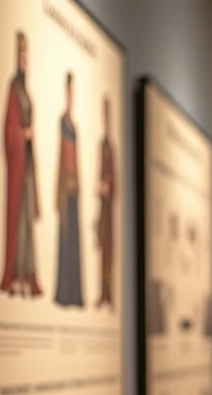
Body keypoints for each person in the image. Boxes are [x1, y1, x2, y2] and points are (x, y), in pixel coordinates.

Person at [1, 30, 41, 298]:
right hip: (17, 168)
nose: (24, 61)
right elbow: (9, 129)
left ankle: (27, 274)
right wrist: (23, 134)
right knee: (16, 219)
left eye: (27, 56)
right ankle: (13, 275)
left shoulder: (26, 90)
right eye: (22, 56)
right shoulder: (14, 88)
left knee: (27, 220)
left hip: (26, 167)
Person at [54, 71, 84, 308]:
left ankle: (75, 293)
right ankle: (64, 293)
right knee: (65, 240)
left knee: (74, 239)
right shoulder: (62, 122)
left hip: (74, 192)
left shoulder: (74, 126)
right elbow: (60, 158)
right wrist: (61, 186)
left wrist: (78, 183)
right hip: (66, 191)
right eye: (69, 92)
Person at [95, 95, 116, 310]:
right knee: (102, 252)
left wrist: (109, 187)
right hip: (102, 210)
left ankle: (109, 293)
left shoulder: (111, 148)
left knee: (109, 253)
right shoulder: (101, 146)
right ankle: (103, 292)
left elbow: (114, 179)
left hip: (109, 211)